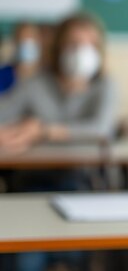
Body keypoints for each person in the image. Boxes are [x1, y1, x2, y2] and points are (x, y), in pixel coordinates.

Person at [0, 12, 117, 183]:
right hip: (34, 174)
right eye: (74, 44)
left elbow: (102, 128)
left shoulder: (104, 85)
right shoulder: (36, 82)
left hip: (84, 176)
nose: (82, 52)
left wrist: (44, 131)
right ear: (59, 47)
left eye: (91, 45)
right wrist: (13, 130)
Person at [0, 22, 43, 94]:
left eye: (31, 39)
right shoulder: (3, 75)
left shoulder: (48, 77)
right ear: (15, 42)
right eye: (22, 40)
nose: (27, 44)